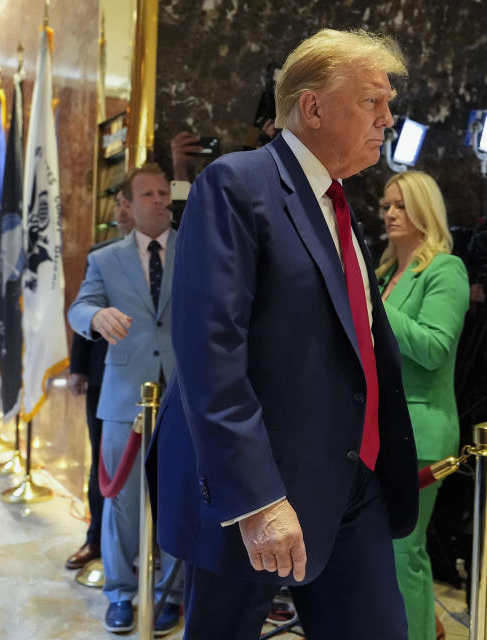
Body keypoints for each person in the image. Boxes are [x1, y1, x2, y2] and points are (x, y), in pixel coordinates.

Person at [148, 28, 419, 639]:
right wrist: (256, 500)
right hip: (262, 493)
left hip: (354, 482)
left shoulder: (340, 204)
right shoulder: (237, 184)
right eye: (373, 101)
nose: (389, 117)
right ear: (313, 107)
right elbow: (209, 352)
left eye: (389, 103)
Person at [68, 164, 183, 636]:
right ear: (128, 206)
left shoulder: (197, 248)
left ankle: (171, 592)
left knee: (176, 497)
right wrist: (95, 318)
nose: (159, 201)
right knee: (120, 502)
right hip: (123, 398)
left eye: (163, 193)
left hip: (183, 394)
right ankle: (120, 591)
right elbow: (80, 306)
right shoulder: (105, 258)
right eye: (148, 195)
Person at [376, 171, 469, 640]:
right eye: (386, 206)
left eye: (400, 205)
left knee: (403, 551)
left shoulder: (444, 269)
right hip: (379, 429)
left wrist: (373, 304)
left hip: (422, 431)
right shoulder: (387, 273)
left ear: (424, 210)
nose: (390, 213)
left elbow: (434, 348)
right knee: (384, 551)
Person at [64, 192, 134, 572]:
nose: (122, 209)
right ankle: (95, 539)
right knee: (103, 464)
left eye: (130, 202)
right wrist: (78, 368)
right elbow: (84, 311)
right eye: (121, 202)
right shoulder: (102, 254)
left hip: (150, 379)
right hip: (103, 378)